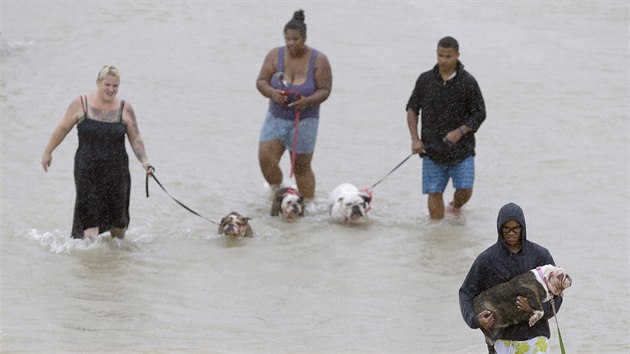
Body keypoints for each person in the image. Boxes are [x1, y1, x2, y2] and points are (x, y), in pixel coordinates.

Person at [41, 64, 154, 239]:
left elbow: (135, 137)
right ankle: (91, 263)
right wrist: (48, 151)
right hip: (87, 171)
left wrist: (145, 161)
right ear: (98, 82)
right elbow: (62, 128)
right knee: (90, 221)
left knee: (119, 223)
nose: (111, 89)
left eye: (115, 86)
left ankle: (115, 261)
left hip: (117, 172)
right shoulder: (81, 104)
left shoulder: (125, 108)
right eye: (107, 85)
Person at [459, 203, 564, 353]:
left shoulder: (541, 256)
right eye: (506, 229)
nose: (511, 233)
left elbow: (558, 298)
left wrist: (536, 309)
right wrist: (475, 320)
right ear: (499, 229)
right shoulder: (487, 260)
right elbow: (466, 293)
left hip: (536, 338)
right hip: (502, 341)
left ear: (523, 228)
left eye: (516, 228)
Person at [256, 9, 332, 201]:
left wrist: (307, 101)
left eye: (296, 39)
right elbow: (261, 81)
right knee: (266, 160)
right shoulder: (275, 55)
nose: (291, 43)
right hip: (276, 117)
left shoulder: (319, 59)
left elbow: (325, 90)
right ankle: (278, 191)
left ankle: (308, 204)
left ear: (304, 38)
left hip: (305, 120)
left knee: (301, 166)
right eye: (288, 39)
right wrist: (273, 93)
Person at [406, 36, 486, 219]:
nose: (443, 60)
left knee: (465, 189)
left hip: (462, 150)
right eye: (440, 55)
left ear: (457, 55)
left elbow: (480, 114)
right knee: (434, 193)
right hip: (431, 150)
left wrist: (460, 132)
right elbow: (411, 108)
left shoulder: (468, 82)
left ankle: (455, 206)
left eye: (448, 56)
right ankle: (436, 236)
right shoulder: (425, 80)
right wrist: (415, 139)